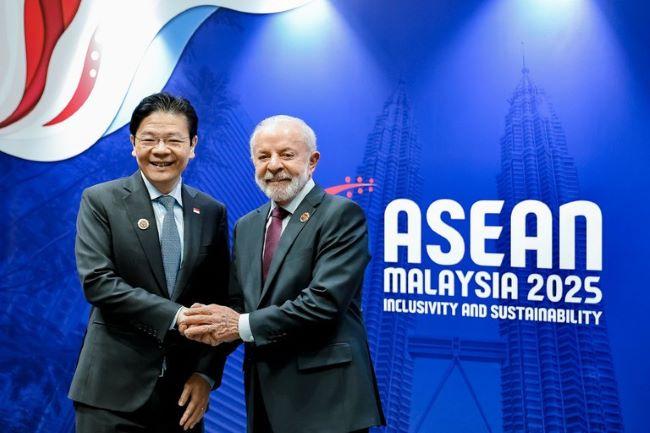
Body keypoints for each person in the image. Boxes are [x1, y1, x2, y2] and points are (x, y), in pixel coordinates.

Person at [180, 115, 385, 433]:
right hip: (264, 402)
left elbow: (323, 303)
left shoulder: (341, 215)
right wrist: (205, 368)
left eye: (286, 154)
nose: (274, 165)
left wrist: (239, 325)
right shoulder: (247, 225)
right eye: (263, 156)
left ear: (312, 161)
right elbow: (239, 304)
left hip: (327, 403)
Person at [69, 92, 230, 432]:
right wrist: (177, 315)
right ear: (133, 143)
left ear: (192, 145)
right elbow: (98, 283)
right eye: (149, 139)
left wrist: (205, 374)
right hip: (110, 394)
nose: (160, 150)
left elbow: (221, 299)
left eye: (174, 140)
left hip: (181, 400)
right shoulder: (101, 201)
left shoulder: (210, 211)